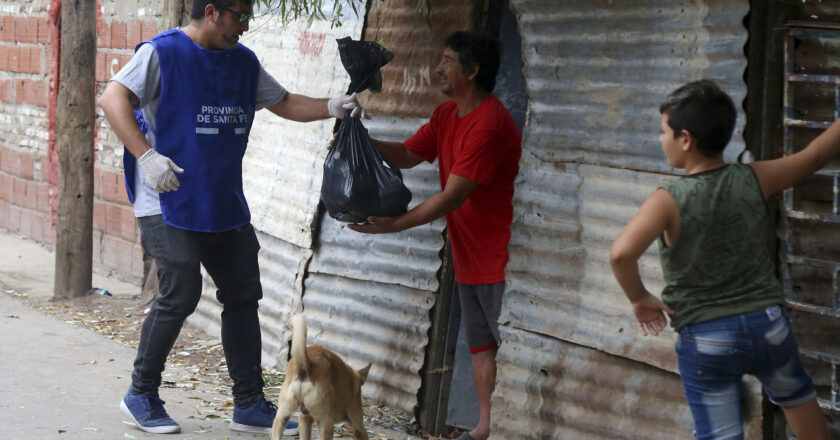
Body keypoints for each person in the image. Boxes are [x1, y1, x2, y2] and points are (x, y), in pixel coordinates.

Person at [98, 0, 363, 435]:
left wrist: (332, 106)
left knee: (243, 294)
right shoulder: (163, 53)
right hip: (167, 195)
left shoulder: (243, 62)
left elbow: (284, 101)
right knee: (181, 292)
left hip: (220, 198)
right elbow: (112, 98)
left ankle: (248, 404)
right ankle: (140, 394)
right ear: (212, 11)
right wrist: (147, 157)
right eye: (240, 14)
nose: (246, 23)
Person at [609, 79, 831, 440]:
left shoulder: (667, 199)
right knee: (798, 400)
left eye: (663, 131)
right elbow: (815, 156)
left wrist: (639, 299)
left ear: (685, 139)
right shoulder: (755, 178)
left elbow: (620, 254)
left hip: (707, 338)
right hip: (768, 326)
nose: (660, 140)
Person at [349, 31, 521, 440]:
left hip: (500, 257)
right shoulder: (448, 115)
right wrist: (361, 141)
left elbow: (451, 197)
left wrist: (395, 224)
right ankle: (485, 427)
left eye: (447, 60)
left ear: (472, 71)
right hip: (470, 254)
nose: (438, 68)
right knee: (481, 345)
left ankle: (508, 427)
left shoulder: (490, 123)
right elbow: (409, 155)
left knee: (505, 345)